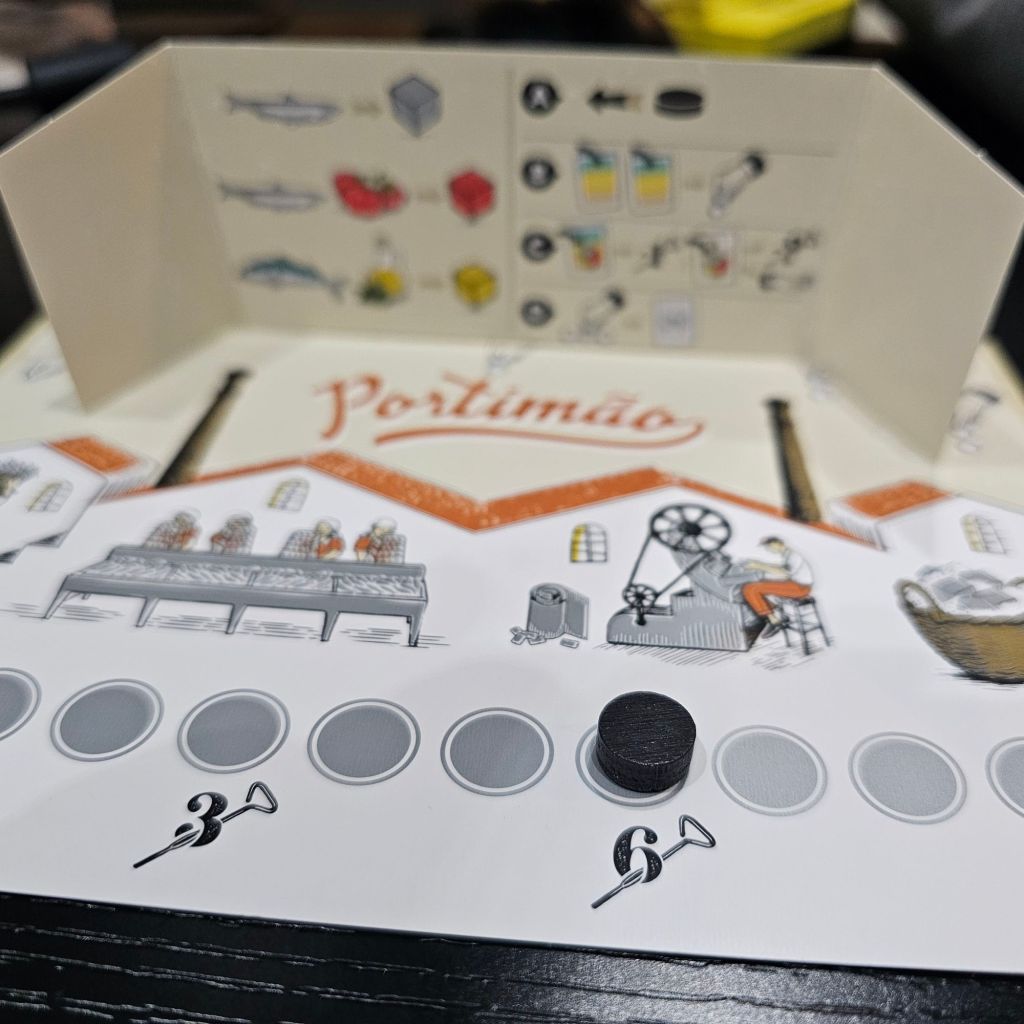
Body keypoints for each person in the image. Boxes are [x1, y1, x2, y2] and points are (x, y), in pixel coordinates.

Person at [741, 536, 813, 637]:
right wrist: (759, 564)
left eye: (769, 547)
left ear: (777, 544)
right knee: (759, 585)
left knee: (750, 588)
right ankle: (774, 617)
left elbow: (784, 573)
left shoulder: (793, 556)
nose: (768, 550)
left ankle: (774, 621)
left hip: (801, 588)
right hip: (797, 585)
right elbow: (782, 567)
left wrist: (760, 566)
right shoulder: (788, 554)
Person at [280, 519, 345, 561]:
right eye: (319, 527)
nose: (321, 529)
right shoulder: (312, 537)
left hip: (321, 563)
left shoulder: (335, 540)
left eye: (325, 527)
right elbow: (303, 547)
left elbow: (334, 553)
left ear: (331, 529)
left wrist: (321, 559)